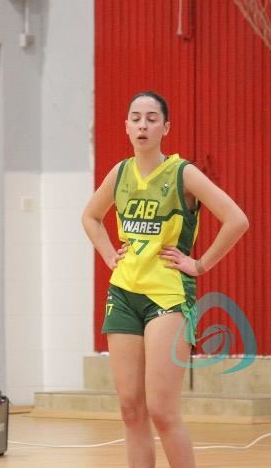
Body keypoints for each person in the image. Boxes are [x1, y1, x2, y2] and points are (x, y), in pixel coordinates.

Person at [81, 91, 248, 468]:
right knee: (130, 408)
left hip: (168, 297)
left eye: (151, 118)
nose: (143, 125)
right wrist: (108, 254)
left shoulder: (182, 173)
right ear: (126, 126)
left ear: (165, 127)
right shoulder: (120, 173)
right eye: (135, 118)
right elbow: (90, 216)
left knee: (161, 410)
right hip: (123, 294)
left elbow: (237, 219)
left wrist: (199, 264)